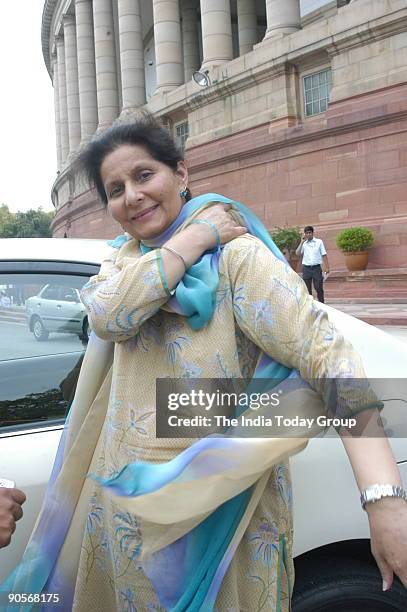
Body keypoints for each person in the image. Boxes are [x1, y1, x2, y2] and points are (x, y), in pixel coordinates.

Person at [2, 115, 407, 611]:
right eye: (115, 188)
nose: (131, 195)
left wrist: (384, 501)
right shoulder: (121, 263)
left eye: (144, 175)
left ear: (181, 173)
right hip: (126, 521)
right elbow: (111, 315)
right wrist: (192, 240)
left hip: (220, 520)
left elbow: (329, 359)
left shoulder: (239, 262)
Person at [295, 225, 329, 303]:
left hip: (316, 268)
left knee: (318, 287)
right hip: (306, 269)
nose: (308, 234)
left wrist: (327, 267)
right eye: (307, 233)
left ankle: (322, 303)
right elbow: (297, 253)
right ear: (305, 234)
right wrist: (301, 242)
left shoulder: (319, 242)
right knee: (307, 289)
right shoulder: (304, 244)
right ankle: (310, 306)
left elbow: (324, 254)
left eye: (310, 232)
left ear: (313, 233)